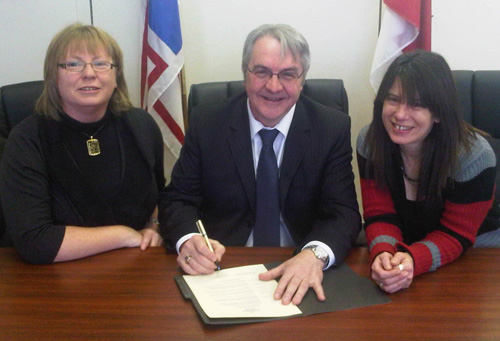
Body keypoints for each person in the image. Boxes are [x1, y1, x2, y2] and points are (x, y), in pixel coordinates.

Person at [160, 24, 361, 305]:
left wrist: (314, 255)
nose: (273, 86)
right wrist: (189, 239)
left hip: (301, 268)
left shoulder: (330, 127)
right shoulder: (208, 122)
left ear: (302, 80)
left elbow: (343, 213)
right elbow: (178, 200)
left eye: (288, 74)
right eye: (262, 72)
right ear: (245, 74)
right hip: (222, 270)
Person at [0, 23, 166, 264]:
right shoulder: (27, 139)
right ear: (53, 76)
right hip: (52, 277)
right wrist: (123, 235)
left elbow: (160, 196)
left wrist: (153, 227)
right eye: (74, 64)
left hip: (136, 265)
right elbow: (34, 240)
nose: (89, 73)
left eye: (100, 63)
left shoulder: (141, 125)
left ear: (116, 76)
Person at [357, 50, 500, 294]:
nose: (400, 114)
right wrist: (384, 253)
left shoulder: (474, 155)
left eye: (417, 104)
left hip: (477, 247)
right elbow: (380, 215)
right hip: (407, 243)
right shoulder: (370, 142)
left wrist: (414, 259)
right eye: (392, 99)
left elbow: (457, 233)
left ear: (439, 113)